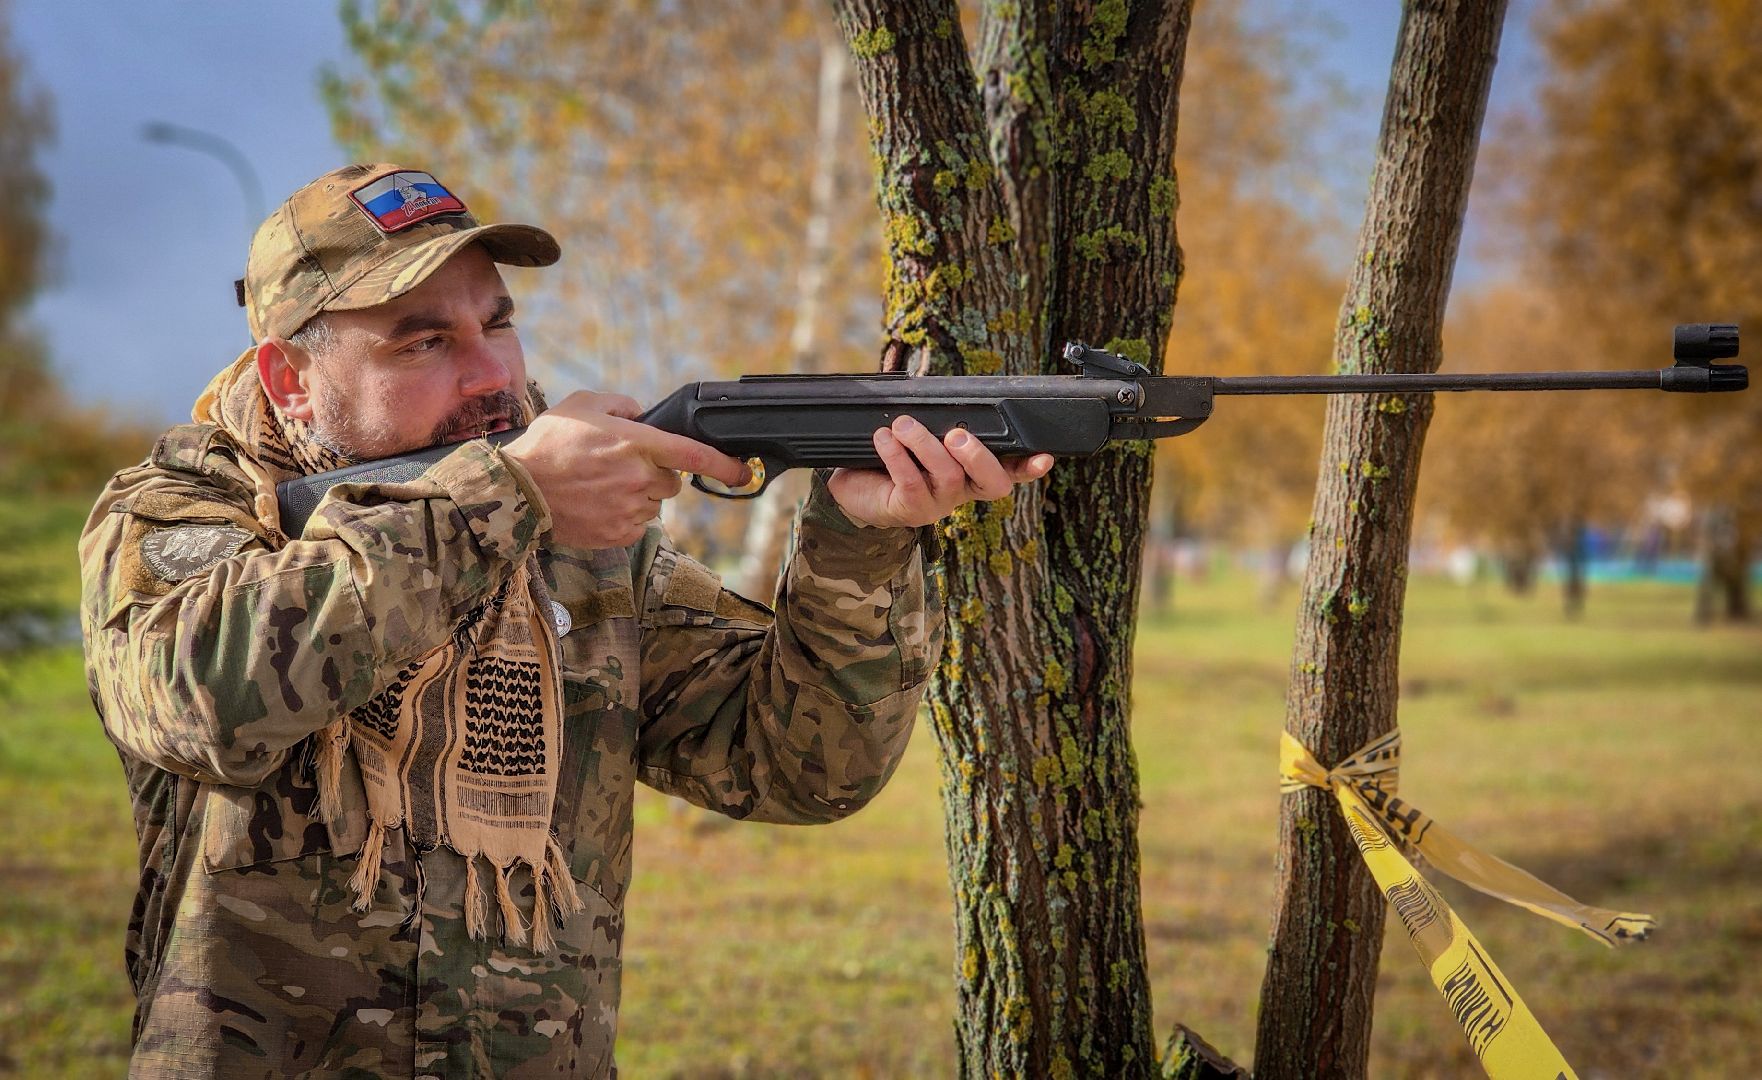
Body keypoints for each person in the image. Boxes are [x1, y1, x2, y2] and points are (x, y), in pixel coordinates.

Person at [79, 163, 1053, 1077]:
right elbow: (195, 694)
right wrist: (502, 499)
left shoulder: (587, 542)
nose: (490, 373)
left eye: (496, 323)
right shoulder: (177, 511)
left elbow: (799, 765)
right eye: (425, 340)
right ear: (290, 378)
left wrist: (857, 538)